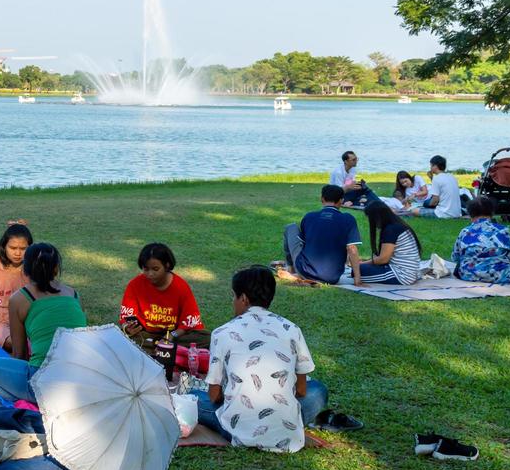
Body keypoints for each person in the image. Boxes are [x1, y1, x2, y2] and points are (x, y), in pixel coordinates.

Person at [197, 266, 328, 452]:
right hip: (286, 429)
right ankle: (280, 424)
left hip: (236, 429)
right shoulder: (291, 329)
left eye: (233, 296)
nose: (233, 302)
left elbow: (213, 396)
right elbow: (302, 390)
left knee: (194, 398)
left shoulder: (222, 332)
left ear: (243, 298)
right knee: (319, 390)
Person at [0, 243, 86, 404]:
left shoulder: (19, 299)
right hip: (81, 379)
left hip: (44, 382)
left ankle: (30, 400)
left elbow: (20, 354)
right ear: (56, 269)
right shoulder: (73, 295)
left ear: (25, 270)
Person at [119, 242, 208, 348]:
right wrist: (128, 327)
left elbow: (190, 322)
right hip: (146, 334)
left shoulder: (181, 287)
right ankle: (160, 349)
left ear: (167, 265)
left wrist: (171, 336)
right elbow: (126, 318)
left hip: (175, 335)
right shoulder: (135, 285)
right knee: (119, 336)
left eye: (155, 269)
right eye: (146, 269)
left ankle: (155, 349)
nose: (150, 274)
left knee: (206, 338)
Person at [282, 185, 363, 285]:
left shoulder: (309, 217)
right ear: (341, 201)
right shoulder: (348, 219)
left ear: (322, 199)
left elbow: (302, 245)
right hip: (332, 277)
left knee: (290, 227)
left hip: (305, 271)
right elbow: (352, 249)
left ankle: (291, 268)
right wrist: (357, 279)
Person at [452, 196, 510, 284]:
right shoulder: (503, 230)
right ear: (492, 212)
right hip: (501, 275)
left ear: (470, 214)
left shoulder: (465, 232)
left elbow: (455, 257)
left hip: (469, 274)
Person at [352, 201, 424, 285]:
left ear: (377, 217)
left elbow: (383, 259)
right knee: (359, 268)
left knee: (356, 271)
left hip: (402, 275)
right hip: (410, 272)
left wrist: (361, 263)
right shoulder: (396, 225)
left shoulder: (391, 229)